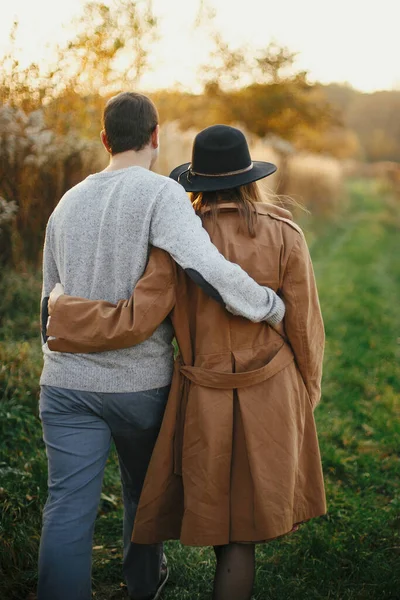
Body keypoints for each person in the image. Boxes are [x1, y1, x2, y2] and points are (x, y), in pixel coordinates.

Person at [46, 124, 326, 600]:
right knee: (243, 535)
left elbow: (136, 318)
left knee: (220, 517)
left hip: (204, 396)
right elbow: (305, 329)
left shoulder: (175, 243)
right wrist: (308, 391)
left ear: (195, 182)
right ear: (250, 178)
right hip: (272, 392)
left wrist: (60, 309)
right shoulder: (286, 234)